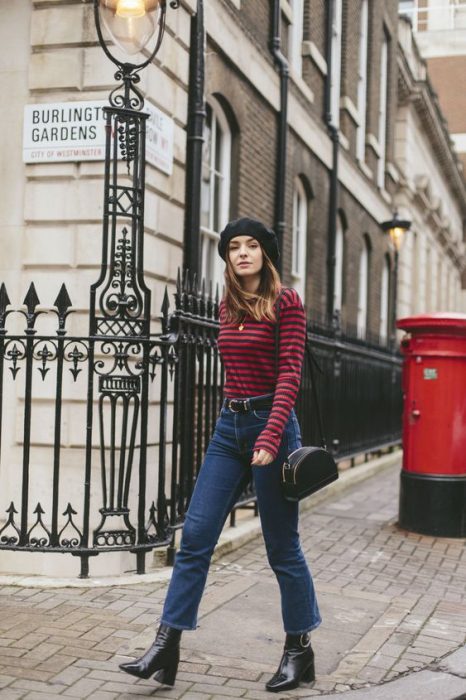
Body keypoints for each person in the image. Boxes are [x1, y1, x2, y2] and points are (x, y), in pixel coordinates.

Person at [119, 217, 322, 693]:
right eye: (235, 247)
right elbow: (234, 373)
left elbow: (290, 375)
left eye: (252, 245)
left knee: (282, 548)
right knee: (195, 536)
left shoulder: (286, 302)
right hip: (229, 429)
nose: (243, 253)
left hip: (273, 428)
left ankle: (299, 651)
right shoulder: (227, 304)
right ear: (228, 256)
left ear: (265, 254)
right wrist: (233, 427)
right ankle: (166, 647)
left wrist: (271, 438)